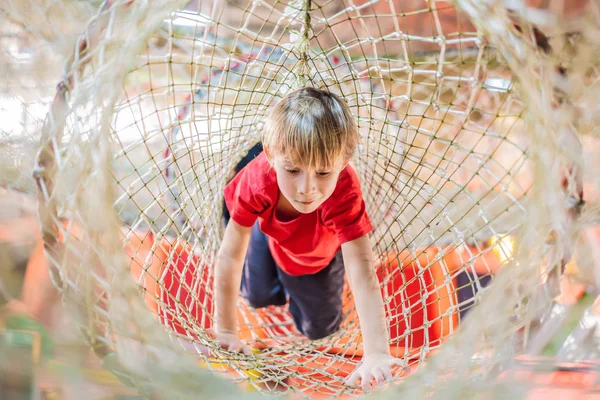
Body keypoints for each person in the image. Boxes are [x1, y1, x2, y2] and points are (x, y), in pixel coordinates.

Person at [214, 87, 402, 390]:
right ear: (272, 156)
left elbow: (363, 270)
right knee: (255, 297)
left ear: (343, 162)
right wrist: (225, 328)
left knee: (319, 329)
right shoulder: (258, 178)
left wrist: (376, 352)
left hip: (318, 254)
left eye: (323, 172)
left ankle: (322, 258)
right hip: (270, 237)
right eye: (293, 170)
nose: (306, 188)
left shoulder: (344, 191)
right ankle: (269, 244)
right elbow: (230, 254)